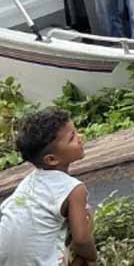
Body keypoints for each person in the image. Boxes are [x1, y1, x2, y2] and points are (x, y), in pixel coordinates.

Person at [0, 108, 96, 266]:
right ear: (51, 159)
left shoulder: (28, 183)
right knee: (86, 216)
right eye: (72, 138)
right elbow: (81, 241)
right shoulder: (74, 189)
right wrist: (93, 257)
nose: (80, 138)